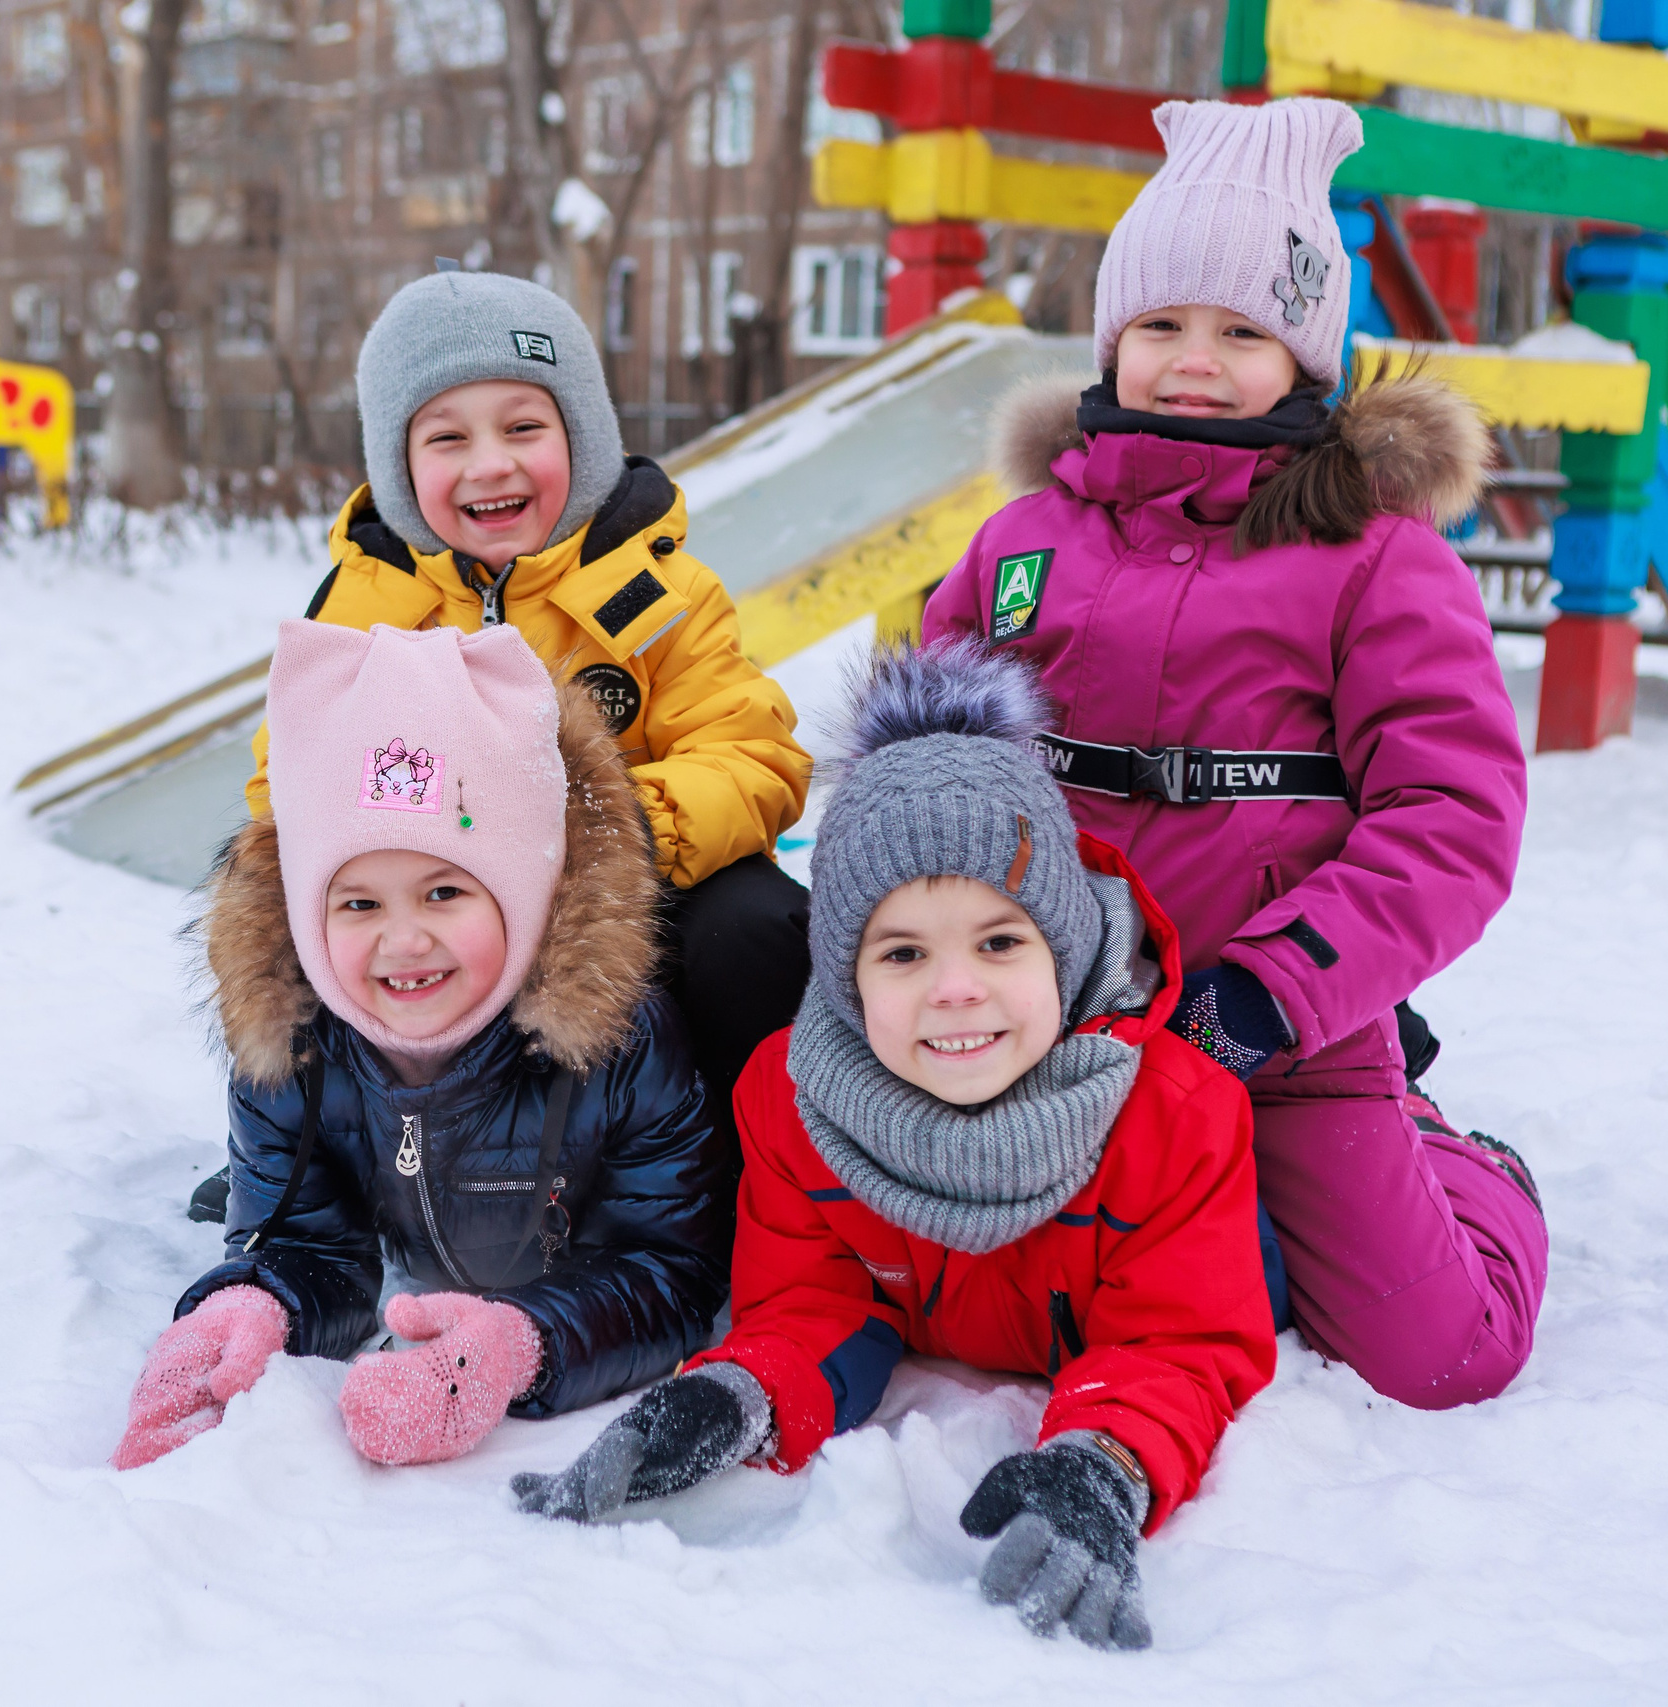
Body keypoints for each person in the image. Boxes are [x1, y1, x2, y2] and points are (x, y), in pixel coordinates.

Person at [921, 96, 1547, 1410]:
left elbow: (1452, 813)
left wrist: (1282, 985)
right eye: (1160, 324)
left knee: (1439, 1353)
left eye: (1241, 330)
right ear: (1111, 337)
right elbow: (928, 755)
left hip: (1276, 1029)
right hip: (1059, 1016)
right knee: (995, 1302)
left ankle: (1454, 1157)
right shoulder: (1026, 543)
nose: (1192, 360)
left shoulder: (1371, 556)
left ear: (1305, 357)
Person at [514, 642, 1275, 1654]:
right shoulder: (793, 1104)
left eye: (1000, 943)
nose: (954, 989)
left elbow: (1180, 1343)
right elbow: (812, 1301)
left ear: (1068, 947)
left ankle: (1462, 1161)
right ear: (845, 977)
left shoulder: (1173, 1113)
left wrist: (1106, 1459)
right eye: (904, 953)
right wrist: (736, 1394)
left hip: (1223, 1260)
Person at [210, 264, 810, 1206]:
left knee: (755, 926)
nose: (491, 463)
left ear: (582, 436)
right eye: (448, 437)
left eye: (525, 427)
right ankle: (314, 1159)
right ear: (401, 469)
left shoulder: (657, 595)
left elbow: (753, 752)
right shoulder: (366, 611)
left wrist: (606, 844)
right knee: (275, 895)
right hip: (436, 900)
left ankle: (749, 1165)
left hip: (617, 894)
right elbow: (287, 786)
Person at [116, 620, 727, 1470]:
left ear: (528, 889)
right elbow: (304, 1240)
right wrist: (253, 1304)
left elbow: (668, 1270)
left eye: (444, 892)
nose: (403, 941)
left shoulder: (618, 1037)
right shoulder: (292, 1042)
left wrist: (521, 1340)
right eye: (359, 904)